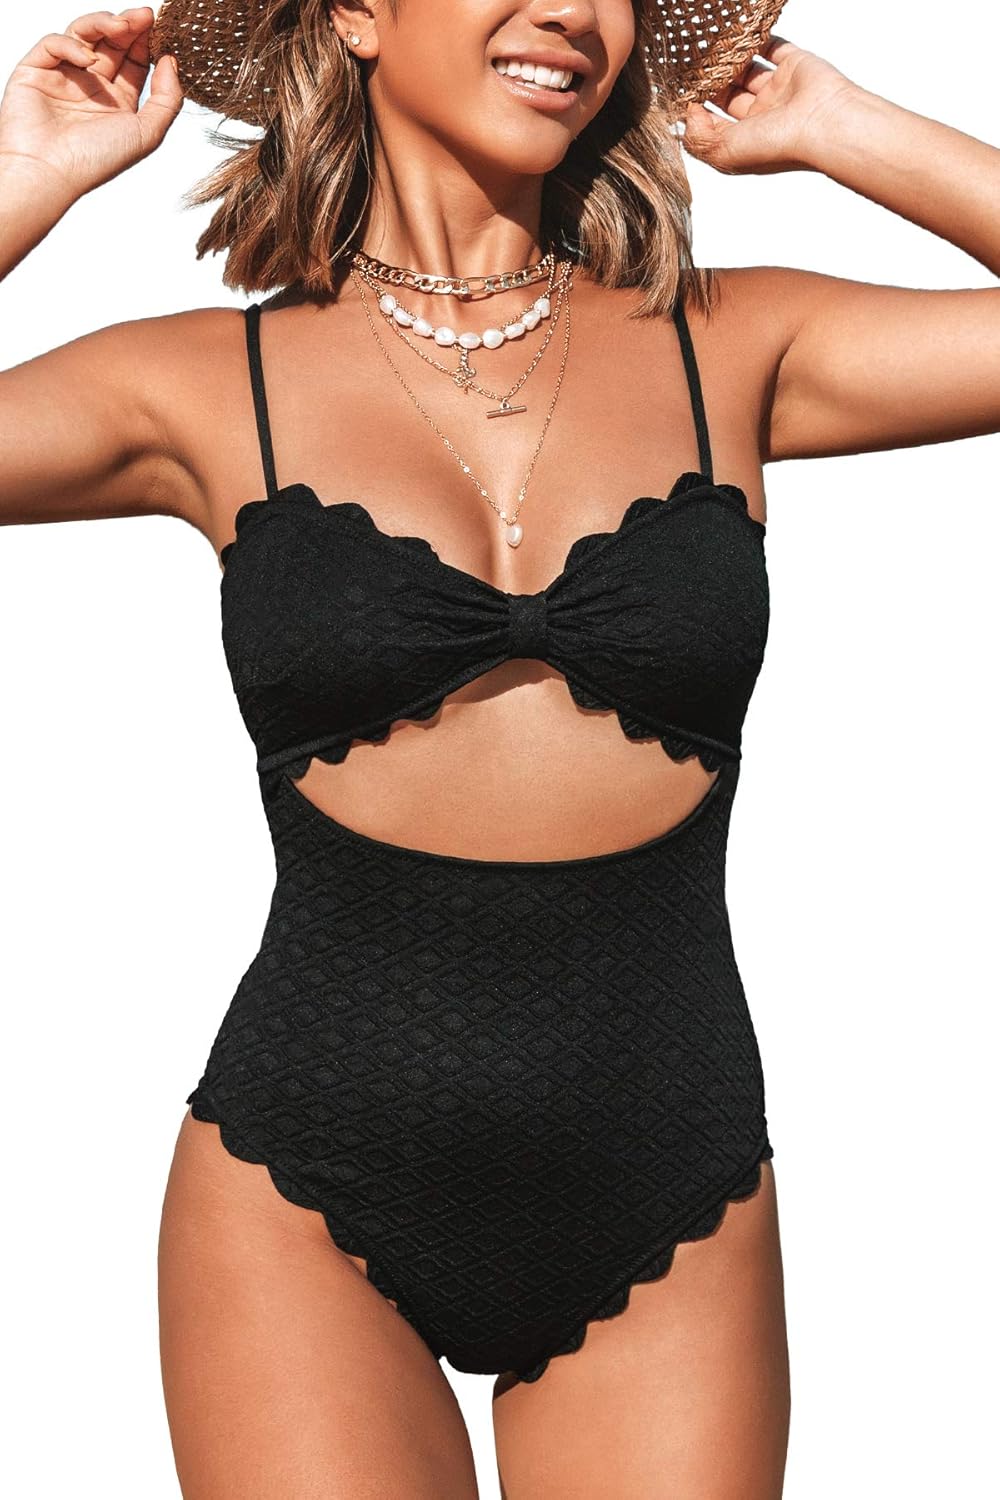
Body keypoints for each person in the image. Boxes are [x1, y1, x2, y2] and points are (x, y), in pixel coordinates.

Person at [1, 3, 996, 1496]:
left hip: (672, 1179)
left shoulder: (733, 345)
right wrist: (25, 182)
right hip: (305, 1183)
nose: (570, 11)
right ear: (357, 13)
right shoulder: (202, 382)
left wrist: (842, 127)